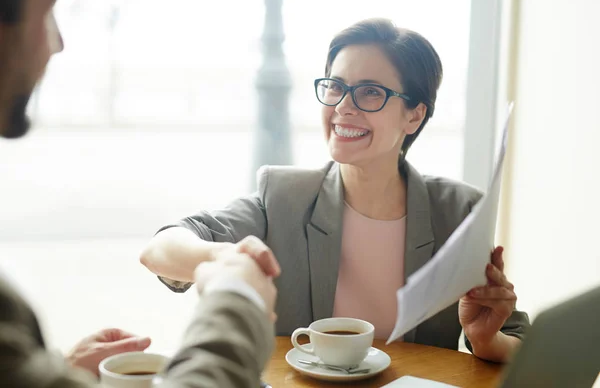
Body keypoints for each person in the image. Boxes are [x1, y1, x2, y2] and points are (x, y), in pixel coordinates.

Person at [141, 18, 530, 363]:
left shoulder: (460, 211)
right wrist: (225, 258)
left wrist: (485, 339)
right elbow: (159, 249)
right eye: (335, 87)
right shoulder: (284, 195)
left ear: (414, 114)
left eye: (370, 92)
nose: (343, 106)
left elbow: (519, 343)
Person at [0, 0, 279, 386]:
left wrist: (59, 369)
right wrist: (238, 302)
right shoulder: (283, 192)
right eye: (47, 12)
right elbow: (160, 248)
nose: (57, 43)